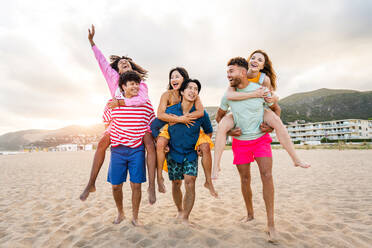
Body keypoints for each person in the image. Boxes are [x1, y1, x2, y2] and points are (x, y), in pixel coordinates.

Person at [80, 25, 157, 205]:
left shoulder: (140, 85)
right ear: (117, 70)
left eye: (128, 63)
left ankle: (152, 186)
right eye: (122, 64)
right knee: (101, 143)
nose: (125, 64)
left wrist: (121, 103)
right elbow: (101, 62)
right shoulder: (114, 80)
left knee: (149, 144)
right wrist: (92, 43)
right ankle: (91, 183)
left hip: (141, 122)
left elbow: (140, 101)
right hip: (120, 125)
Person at [212, 50, 310, 179]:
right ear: (248, 62)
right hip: (240, 110)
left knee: (277, 119)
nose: (255, 61)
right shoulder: (238, 73)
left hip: (259, 110)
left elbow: (269, 99)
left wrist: (272, 104)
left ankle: (296, 159)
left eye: (259, 60)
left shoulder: (264, 79)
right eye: (253, 58)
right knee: (222, 125)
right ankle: (216, 166)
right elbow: (229, 95)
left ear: (263, 66)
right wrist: (254, 94)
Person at [215, 57, 280, 241]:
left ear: (242, 72)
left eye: (231, 71)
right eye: (227, 72)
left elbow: (276, 109)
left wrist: (272, 126)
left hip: (260, 139)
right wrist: (230, 131)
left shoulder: (260, 90)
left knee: (267, 176)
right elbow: (219, 117)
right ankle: (250, 214)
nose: (228, 75)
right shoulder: (228, 95)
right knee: (245, 178)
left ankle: (271, 223)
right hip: (240, 142)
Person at [151, 79, 213, 225]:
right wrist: (159, 142)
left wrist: (199, 145)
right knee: (176, 184)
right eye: (189, 88)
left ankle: (185, 216)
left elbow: (209, 131)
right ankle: (179, 210)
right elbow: (154, 126)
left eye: (196, 89)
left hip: (191, 154)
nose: (192, 91)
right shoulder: (171, 110)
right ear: (183, 92)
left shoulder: (201, 114)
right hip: (174, 153)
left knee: (190, 182)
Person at [155, 67, 217, 198]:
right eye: (172, 77)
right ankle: (159, 177)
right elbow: (160, 115)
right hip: (171, 123)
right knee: (160, 143)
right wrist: (179, 119)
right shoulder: (168, 95)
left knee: (205, 146)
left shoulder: (193, 93)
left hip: (190, 129)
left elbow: (201, 113)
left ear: (185, 79)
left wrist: (188, 117)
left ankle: (209, 181)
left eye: (177, 76)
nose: (174, 79)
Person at [103, 71, 155, 226]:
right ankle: (120, 212)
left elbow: (152, 125)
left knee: (136, 185)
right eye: (131, 83)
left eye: (137, 83)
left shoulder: (145, 104)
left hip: (137, 149)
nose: (135, 86)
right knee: (116, 186)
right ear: (123, 86)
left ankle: (135, 217)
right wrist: (114, 134)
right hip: (118, 149)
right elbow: (106, 121)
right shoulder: (113, 102)